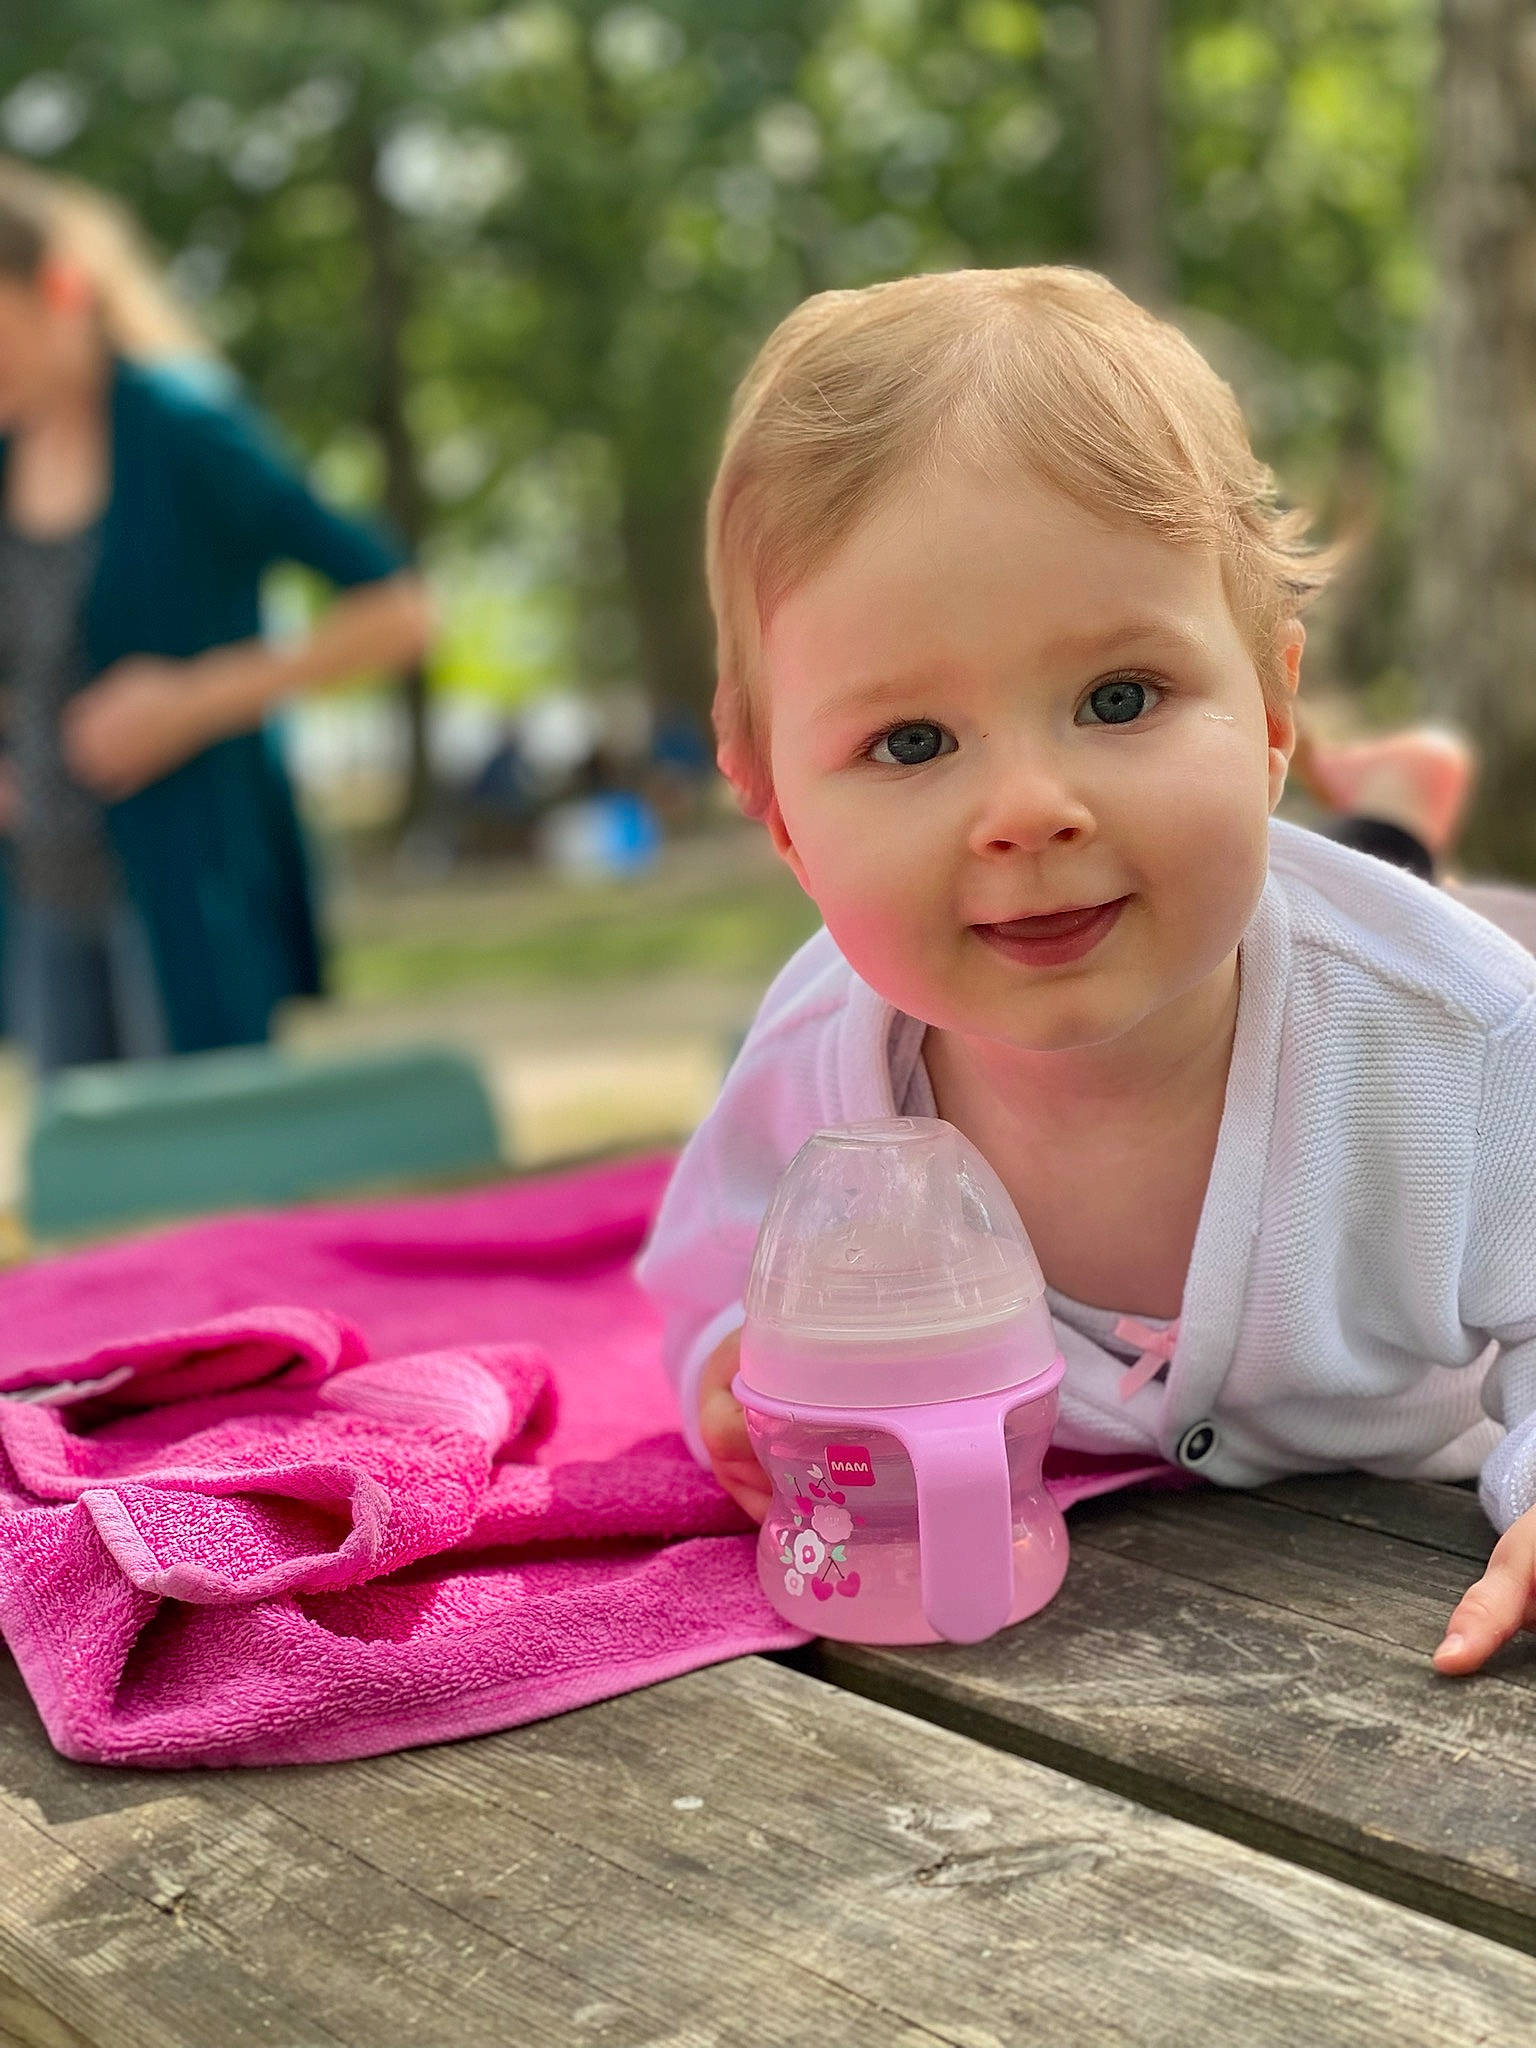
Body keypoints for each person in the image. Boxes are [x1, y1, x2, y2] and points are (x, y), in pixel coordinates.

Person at [635, 265, 1536, 1679]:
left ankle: (1396, 825)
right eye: (912, 743)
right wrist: (730, 1380)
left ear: (1271, 706)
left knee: (1409, 902)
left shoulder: (1464, 1042)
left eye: (1119, 699)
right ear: (779, 813)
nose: (1028, 807)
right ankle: (1389, 815)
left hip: (1404, 933)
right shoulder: (825, 1055)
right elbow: (710, 1271)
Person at [0, 161, 433, 1070]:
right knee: (89, 1193)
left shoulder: (185, 432)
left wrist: (194, 700)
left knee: (210, 1181)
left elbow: (400, 610)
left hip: (186, 893)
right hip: (44, 901)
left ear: (62, 290)